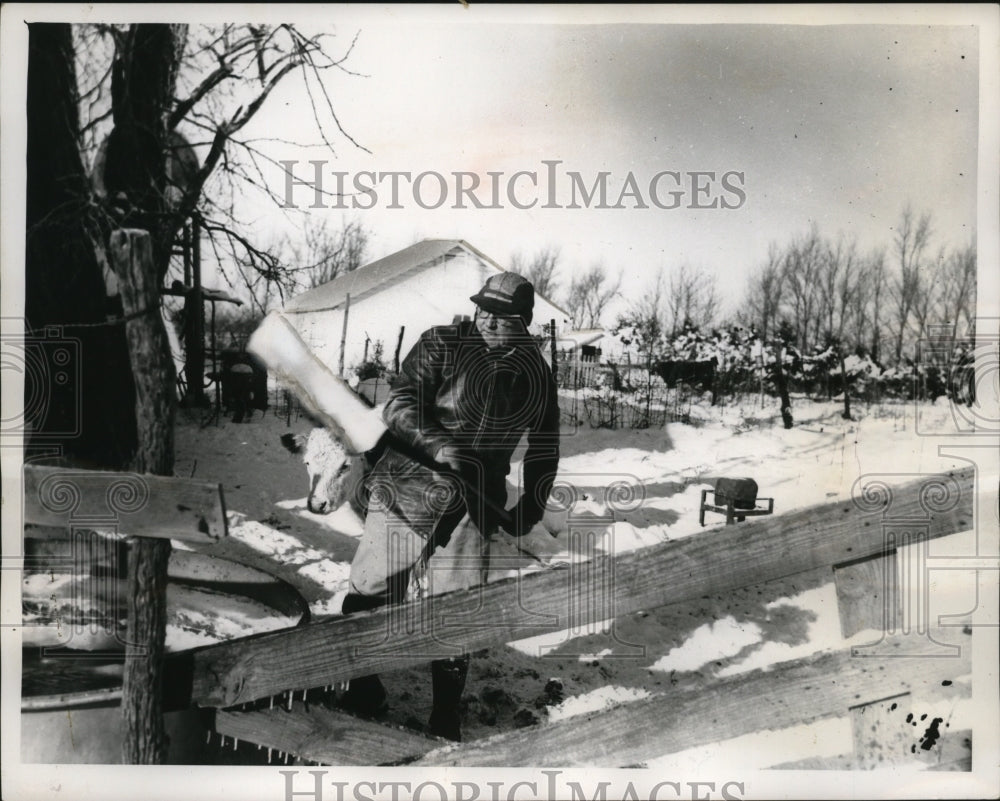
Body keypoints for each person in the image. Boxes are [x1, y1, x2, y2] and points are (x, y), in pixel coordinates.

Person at [339, 272, 560, 741]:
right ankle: (364, 686)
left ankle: (445, 715)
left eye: (499, 317)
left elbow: (545, 445)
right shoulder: (442, 343)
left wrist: (533, 502)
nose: (486, 319)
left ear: (522, 324)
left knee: (456, 611)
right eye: (481, 309)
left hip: (475, 507)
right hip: (410, 488)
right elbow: (399, 404)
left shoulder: (536, 373)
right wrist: (440, 445)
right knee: (372, 588)